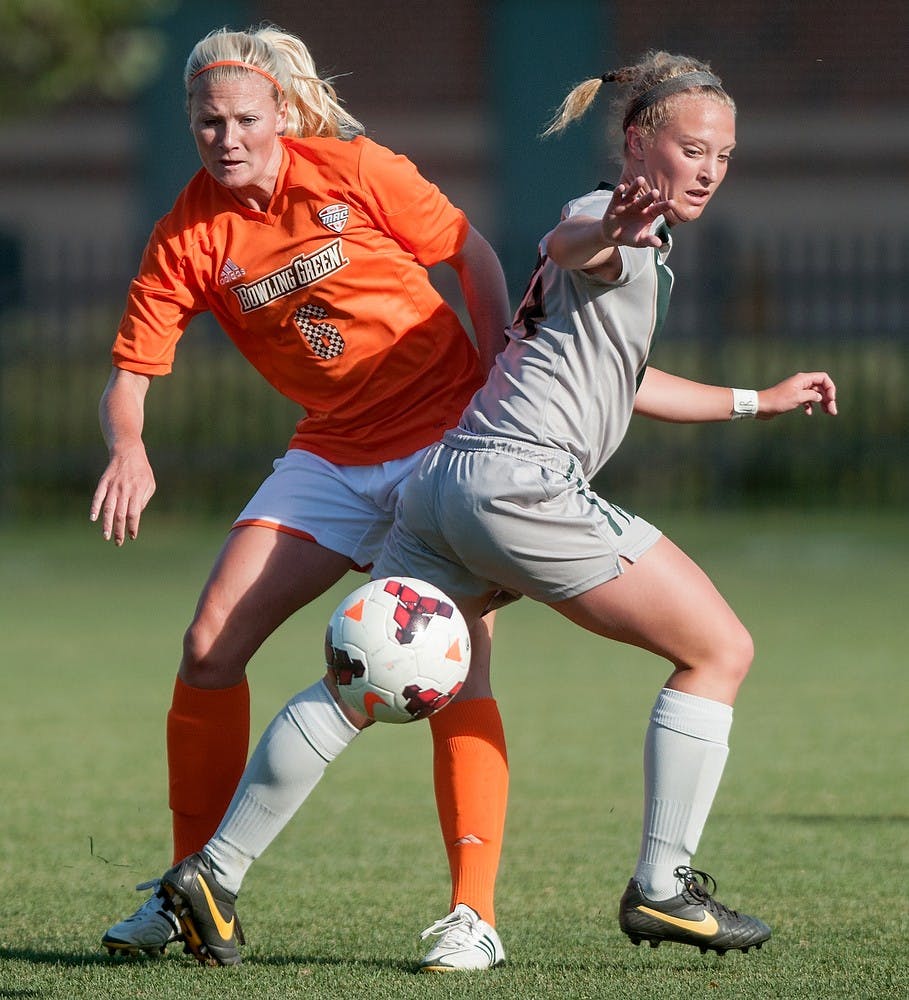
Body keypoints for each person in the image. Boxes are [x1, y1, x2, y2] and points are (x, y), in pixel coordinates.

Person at [144, 49, 838, 968]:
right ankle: (663, 889)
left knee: (364, 682)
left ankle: (214, 873)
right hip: (522, 488)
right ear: (639, 143)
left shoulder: (634, 237)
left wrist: (760, 399)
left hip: (447, 481)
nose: (707, 168)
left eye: (723, 155)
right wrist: (613, 233)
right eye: (690, 147)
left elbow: (624, 382)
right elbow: (570, 245)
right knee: (719, 651)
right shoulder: (608, 216)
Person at [93, 24, 513, 970]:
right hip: (331, 454)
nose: (227, 137)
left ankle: (471, 917)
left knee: (460, 670)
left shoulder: (354, 169)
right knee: (208, 648)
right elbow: (130, 374)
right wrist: (131, 448)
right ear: (191, 126)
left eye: (244, 118)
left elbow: (472, 254)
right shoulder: (189, 232)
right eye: (208, 123)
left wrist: (492, 384)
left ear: (280, 112)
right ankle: (188, 892)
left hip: (443, 441)